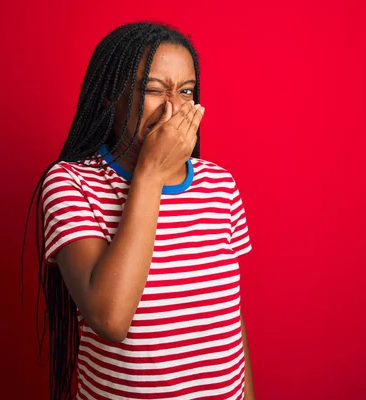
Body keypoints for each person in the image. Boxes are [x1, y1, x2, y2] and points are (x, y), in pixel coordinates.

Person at [24, 22, 255, 400]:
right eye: (152, 89)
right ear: (109, 96)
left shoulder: (220, 184)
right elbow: (110, 318)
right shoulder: (70, 184)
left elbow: (228, 315)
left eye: (186, 91)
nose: (174, 107)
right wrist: (149, 175)